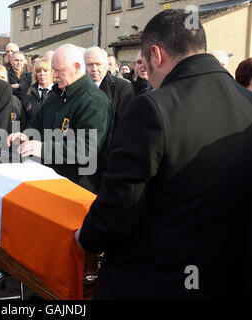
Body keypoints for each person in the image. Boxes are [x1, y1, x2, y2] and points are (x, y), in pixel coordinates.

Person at [75, 9, 252, 300]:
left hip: (157, 280)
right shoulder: (247, 102)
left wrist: (88, 237)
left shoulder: (152, 108)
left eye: (145, 63)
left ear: (156, 55)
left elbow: (120, 203)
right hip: (228, 278)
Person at [7, 44, 112, 193]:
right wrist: (26, 136)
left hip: (79, 189)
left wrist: (43, 148)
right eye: (53, 70)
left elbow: (86, 148)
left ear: (76, 67)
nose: (54, 75)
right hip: (51, 182)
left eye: (59, 70)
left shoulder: (94, 101)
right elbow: (37, 124)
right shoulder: (56, 95)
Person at [84, 46, 134, 138]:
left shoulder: (123, 87)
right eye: (90, 64)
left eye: (98, 64)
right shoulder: (76, 88)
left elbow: (125, 126)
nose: (94, 69)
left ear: (106, 66)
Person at [0, 65, 24, 133]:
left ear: (7, 80)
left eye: (2, 77)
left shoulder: (15, 101)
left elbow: (20, 123)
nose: (0, 80)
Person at [21, 58, 53, 128]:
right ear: (35, 74)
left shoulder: (59, 94)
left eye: (45, 71)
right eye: (38, 71)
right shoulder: (28, 94)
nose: (42, 74)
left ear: (51, 72)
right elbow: (23, 121)